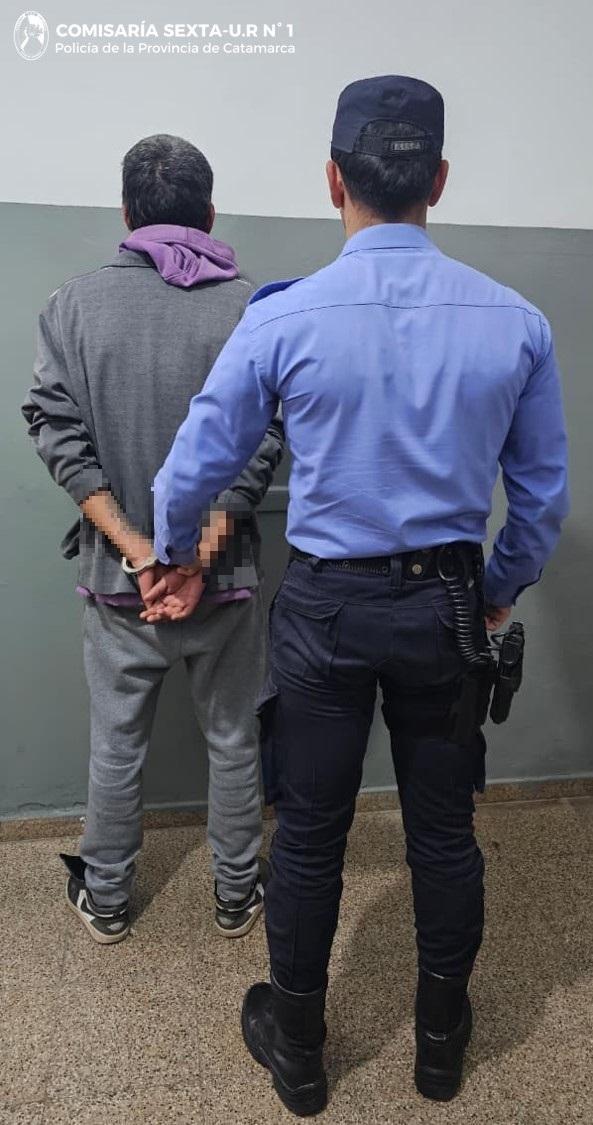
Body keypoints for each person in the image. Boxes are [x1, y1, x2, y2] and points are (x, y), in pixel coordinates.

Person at [149, 78, 569, 1115]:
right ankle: (439, 1047)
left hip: (325, 612)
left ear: (333, 180)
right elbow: (540, 501)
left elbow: (189, 471)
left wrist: (175, 554)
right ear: (438, 180)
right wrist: (496, 591)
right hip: (445, 610)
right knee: (442, 834)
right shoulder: (515, 323)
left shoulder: (285, 316)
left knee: (310, 835)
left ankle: (298, 1052)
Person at [22, 134, 283, 946]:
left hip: (117, 574)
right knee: (234, 739)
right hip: (223, 573)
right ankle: (236, 895)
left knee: (116, 744)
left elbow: (56, 433)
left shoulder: (71, 305)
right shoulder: (251, 308)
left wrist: (139, 552)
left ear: (127, 213)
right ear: (210, 213)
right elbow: (265, 441)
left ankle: (105, 900)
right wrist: (197, 555)